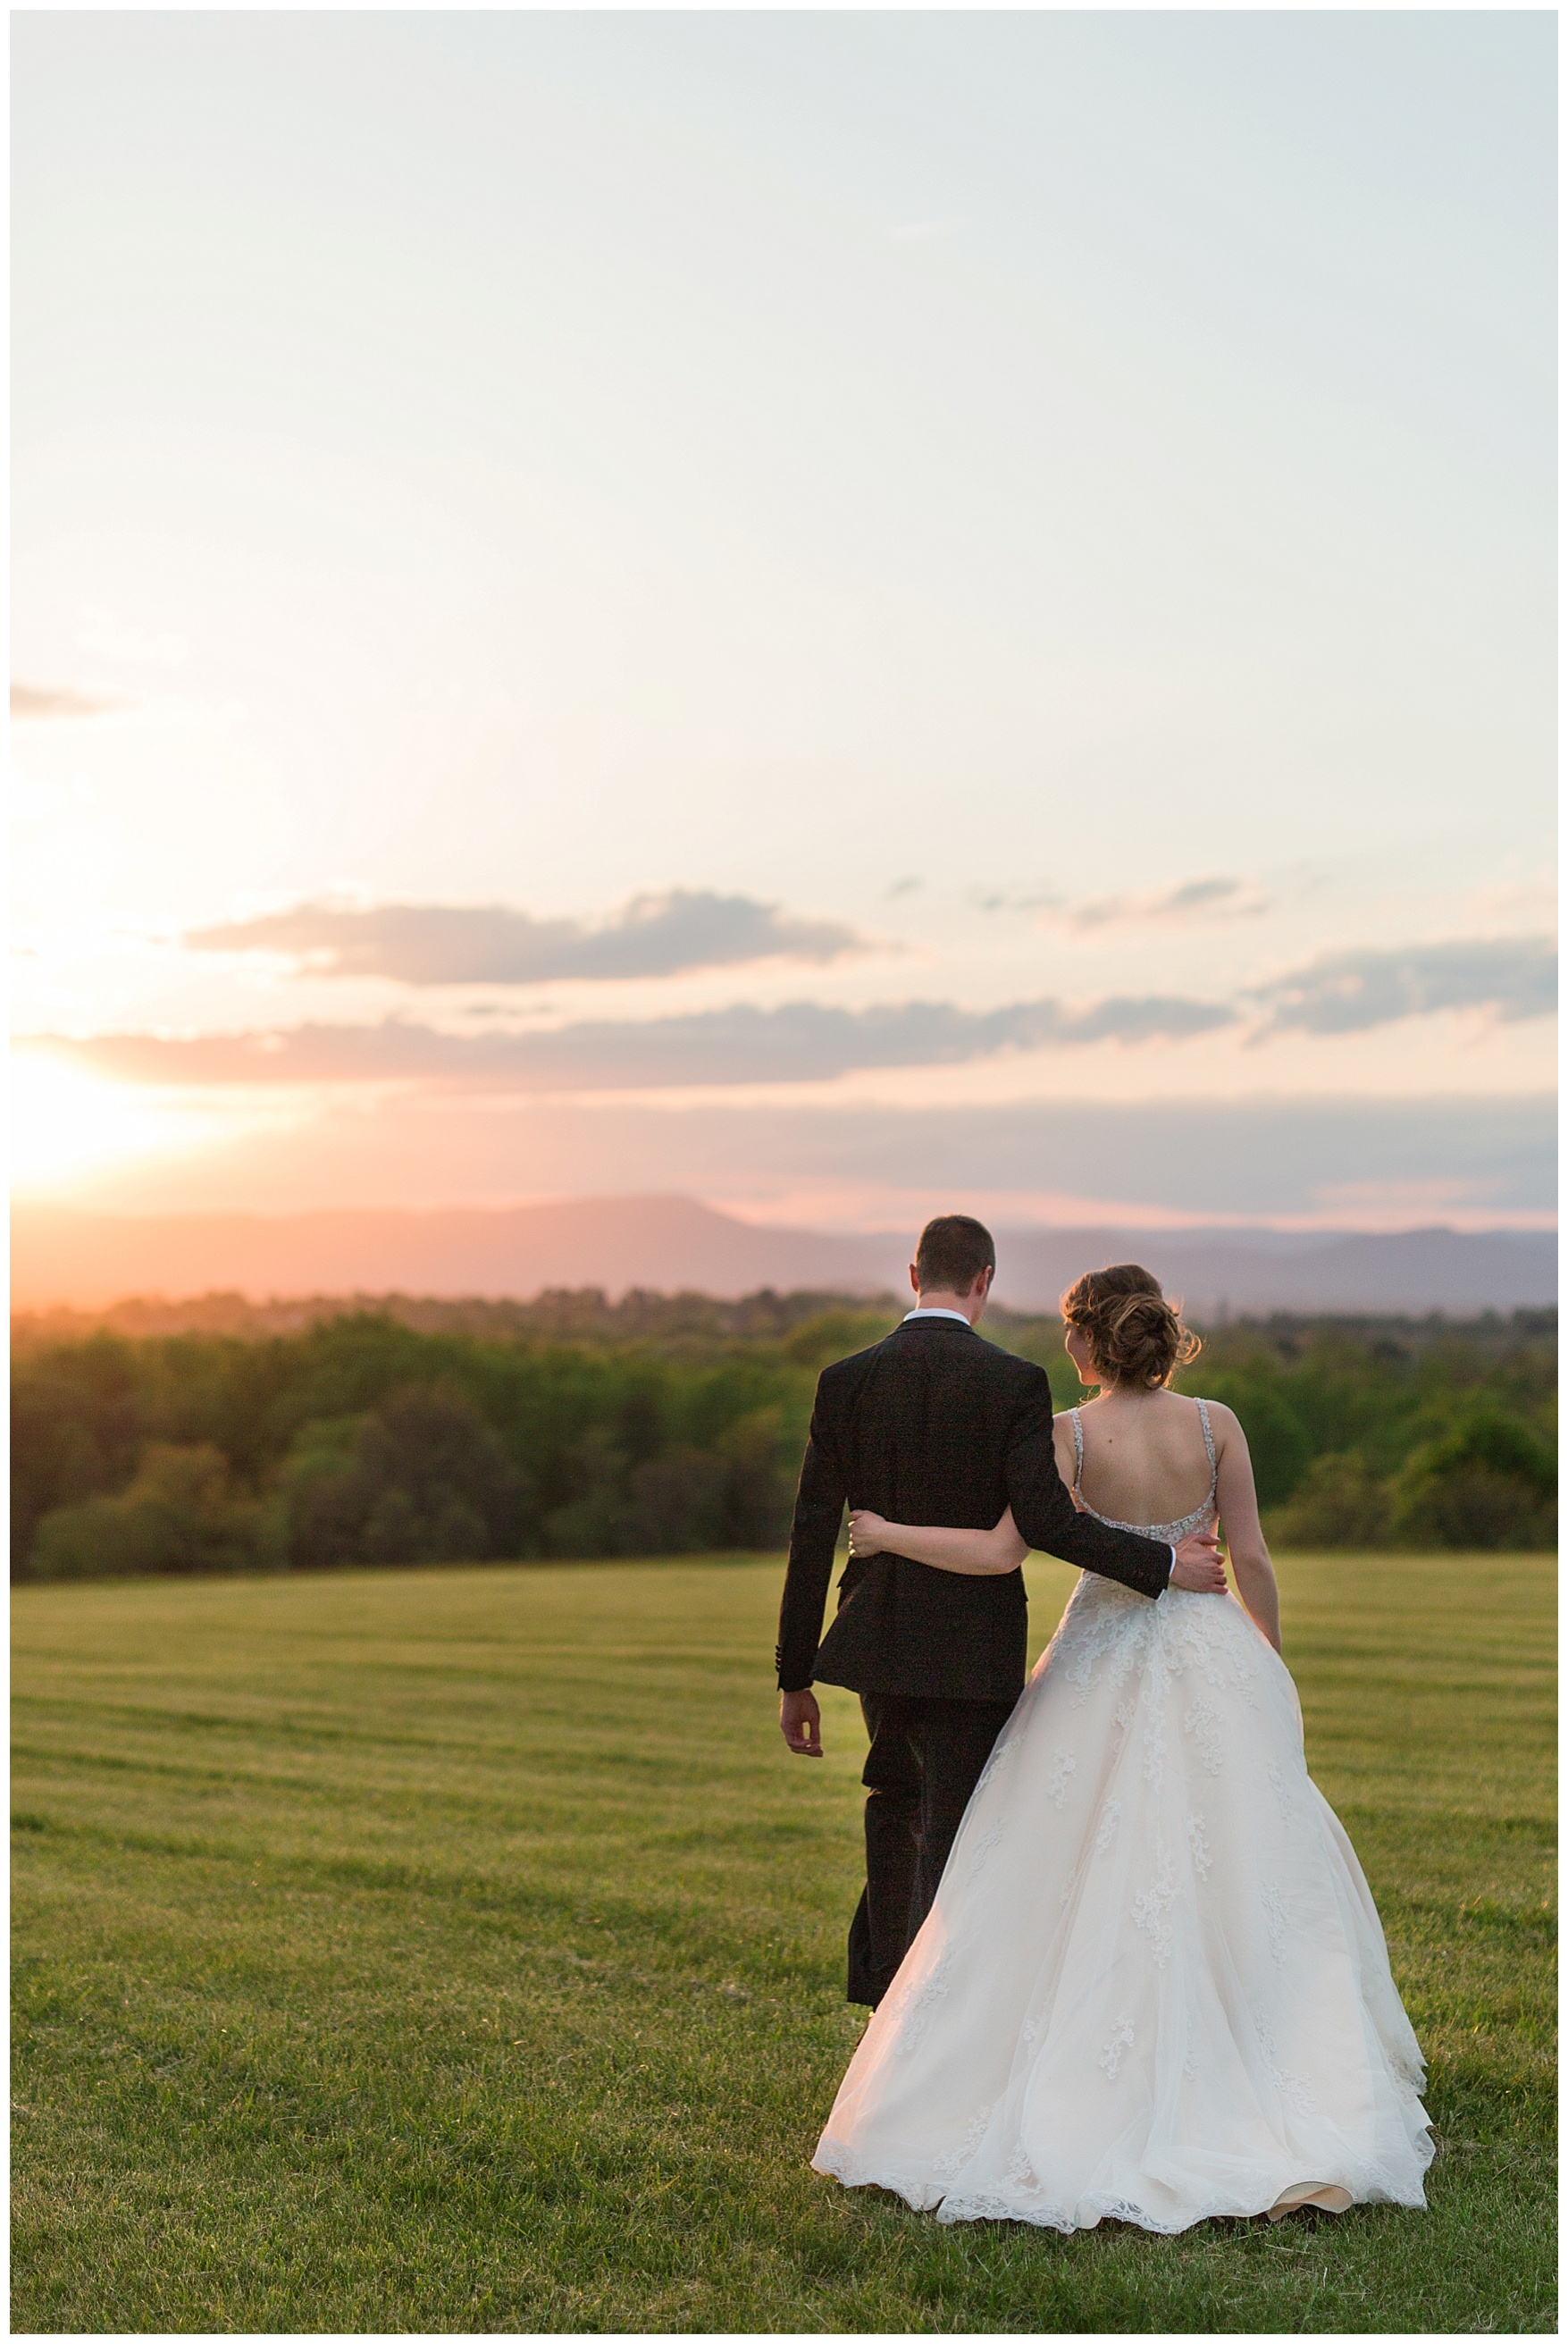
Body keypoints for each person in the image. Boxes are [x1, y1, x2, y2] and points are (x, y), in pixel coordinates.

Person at [810, 1263, 1434, 2234]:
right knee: (1241, 1863)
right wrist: (1269, 1662)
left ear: (1084, 1342)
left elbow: (999, 1551)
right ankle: (1264, 2055)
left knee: (1053, 1857)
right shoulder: (1214, 1422)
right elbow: (1253, 1555)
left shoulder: (1065, 1434)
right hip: (1209, 1647)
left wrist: (887, 1532)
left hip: (1098, 1654)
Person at [776, 1215, 1229, 2010]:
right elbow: (1047, 1523)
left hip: (877, 1639)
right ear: (983, 1279)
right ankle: (938, 2012)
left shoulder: (844, 1379)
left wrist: (794, 1675)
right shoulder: (1013, 1382)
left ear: (913, 1271)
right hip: (973, 1646)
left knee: (893, 1805)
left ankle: (889, 2003)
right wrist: (1162, 1562)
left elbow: (813, 1533)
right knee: (960, 1824)